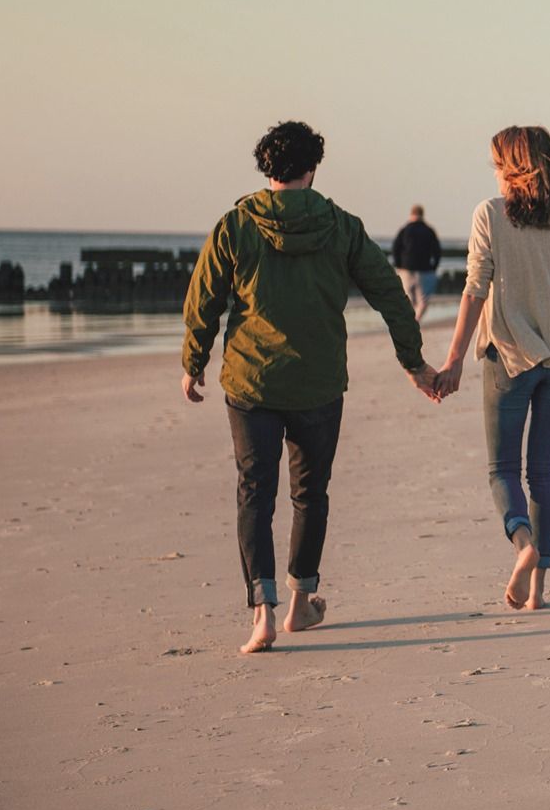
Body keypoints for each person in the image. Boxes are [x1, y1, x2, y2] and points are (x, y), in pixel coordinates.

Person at [181, 120, 441, 655]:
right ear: (312, 169)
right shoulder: (341, 226)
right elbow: (390, 293)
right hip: (319, 384)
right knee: (309, 494)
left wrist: (194, 361)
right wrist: (413, 362)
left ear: (266, 169)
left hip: (250, 381)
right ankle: (301, 603)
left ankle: (262, 613)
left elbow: (204, 296)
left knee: (255, 492)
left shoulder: (236, 225)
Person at [434, 126, 550, 611]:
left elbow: (474, 289)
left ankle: (523, 545)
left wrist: (454, 359)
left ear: (513, 167)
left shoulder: (491, 215)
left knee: (503, 469)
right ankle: (539, 592)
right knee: (543, 472)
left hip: (510, 356)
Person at [391, 203, 442, 321]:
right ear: (422, 215)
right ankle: (416, 321)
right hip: (424, 269)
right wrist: (434, 267)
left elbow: (395, 248)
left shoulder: (404, 230)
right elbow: (437, 250)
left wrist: (398, 265)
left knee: (408, 298)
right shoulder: (429, 230)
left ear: (411, 214)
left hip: (406, 269)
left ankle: (410, 322)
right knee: (422, 300)